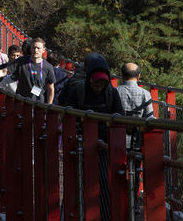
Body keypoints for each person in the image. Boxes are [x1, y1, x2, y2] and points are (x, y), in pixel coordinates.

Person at [62, 52, 123, 221]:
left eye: (102, 81)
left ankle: (103, 215)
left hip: (103, 144)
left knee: (103, 180)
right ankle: (73, 213)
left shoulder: (112, 93)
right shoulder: (78, 90)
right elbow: (67, 113)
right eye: (96, 81)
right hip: (79, 143)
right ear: (89, 78)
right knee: (76, 180)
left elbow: (119, 116)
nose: (99, 84)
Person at [116, 62, 154, 215]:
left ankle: (118, 202)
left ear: (121, 75)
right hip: (136, 140)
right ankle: (134, 205)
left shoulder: (115, 91)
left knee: (117, 171)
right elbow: (150, 118)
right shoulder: (145, 94)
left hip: (117, 139)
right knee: (135, 170)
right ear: (139, 76)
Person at [0, 38, 55, 103]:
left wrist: (49, 105)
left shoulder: (48, 67)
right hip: (21, 101)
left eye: (38, 48)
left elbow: (51, 88)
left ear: (43, 50)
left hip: (38, 103)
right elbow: (4, 71)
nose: (35, 50)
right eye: (34, 47)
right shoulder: (21, 61)